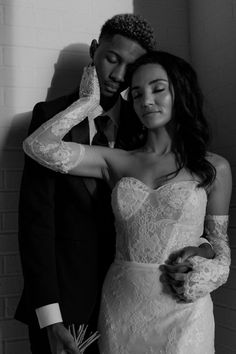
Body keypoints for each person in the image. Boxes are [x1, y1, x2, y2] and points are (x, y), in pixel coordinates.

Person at [22, 50, 231, 353]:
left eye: (158, 89)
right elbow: (37, 146)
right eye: (136, 93)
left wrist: (209, 270)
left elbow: (220, 246)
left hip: (184, 311)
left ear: (180, 91)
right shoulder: (116, 161)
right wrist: (86, 103)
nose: (146, 100)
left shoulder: (215, 168)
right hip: (122, 307)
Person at [15, 13, 158, 354]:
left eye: (131, 66)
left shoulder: (146, 127)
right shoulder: (48, 118)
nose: (119, 75)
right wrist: (50, 318)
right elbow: (35, 222)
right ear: (95, 50)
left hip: (129, 308)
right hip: (63, 307)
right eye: (112, 58)